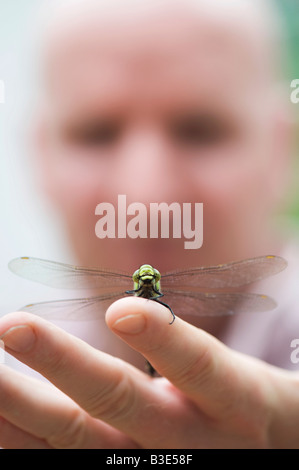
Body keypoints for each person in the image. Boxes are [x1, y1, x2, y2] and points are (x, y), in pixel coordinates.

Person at [0, 0, 299, 448]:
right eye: (97, 132)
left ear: (282, 150)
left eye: (199, 130)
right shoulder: (18, 370)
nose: (146, 198)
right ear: (39, 157)